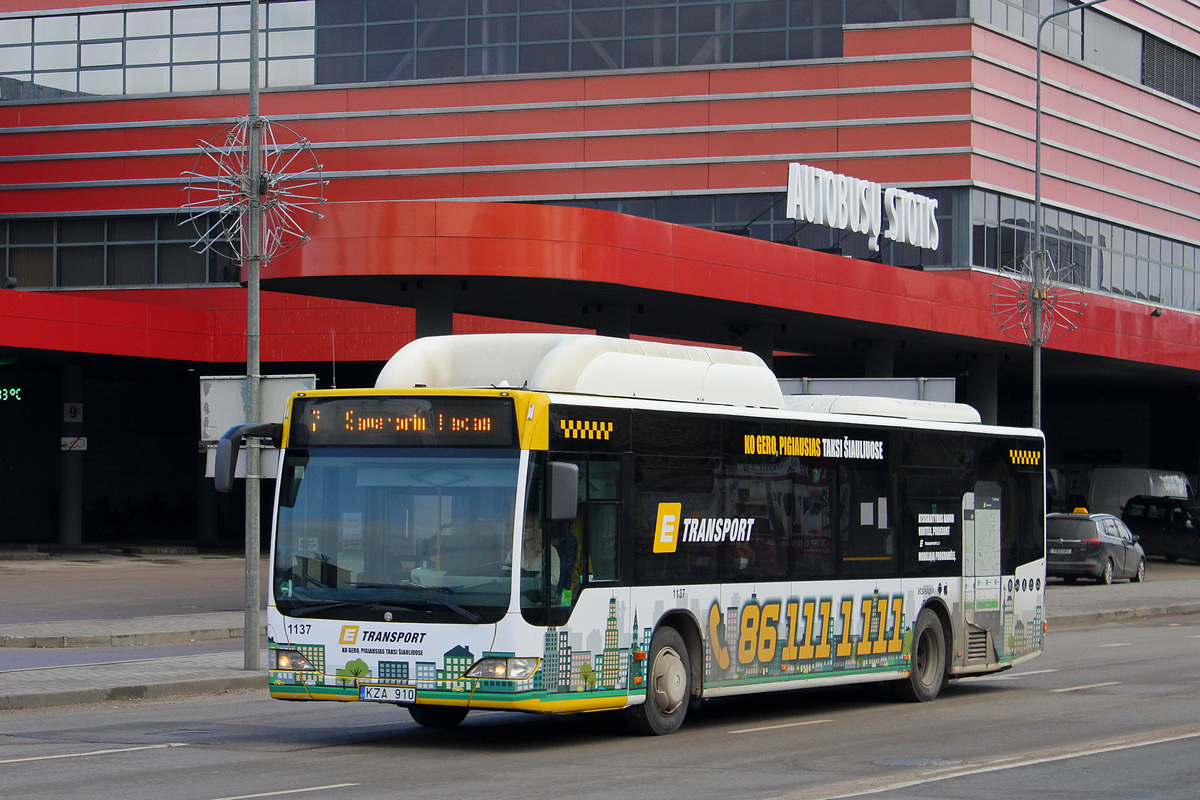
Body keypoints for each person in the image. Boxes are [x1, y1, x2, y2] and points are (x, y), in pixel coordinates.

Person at [521, 514, 561, 587]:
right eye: (521, 527)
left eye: (526, 527)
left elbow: (555, 580)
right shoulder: (516, 552)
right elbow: (506, 574)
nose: (523, 530)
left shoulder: (550, 551)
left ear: (536, 530)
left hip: (540, 594)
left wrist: (535, 581)